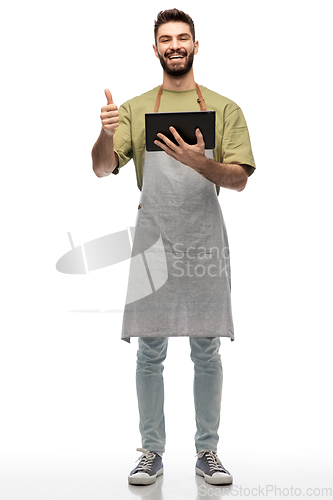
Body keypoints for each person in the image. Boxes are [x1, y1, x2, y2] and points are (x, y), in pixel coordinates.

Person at [91, 8, 255, 487]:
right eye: (167, 39)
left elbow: (240, 179)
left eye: (184, 38)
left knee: (206, 350)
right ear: (156, 47)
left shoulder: (225, 109)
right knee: (149, 351)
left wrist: (199, 163)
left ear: (196, 46)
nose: (175, 45)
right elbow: (103, 169)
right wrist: (104, 133)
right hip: (153, 238)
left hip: (204, 235)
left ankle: (208, 452)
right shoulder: (135, 108)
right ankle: (151, 452)